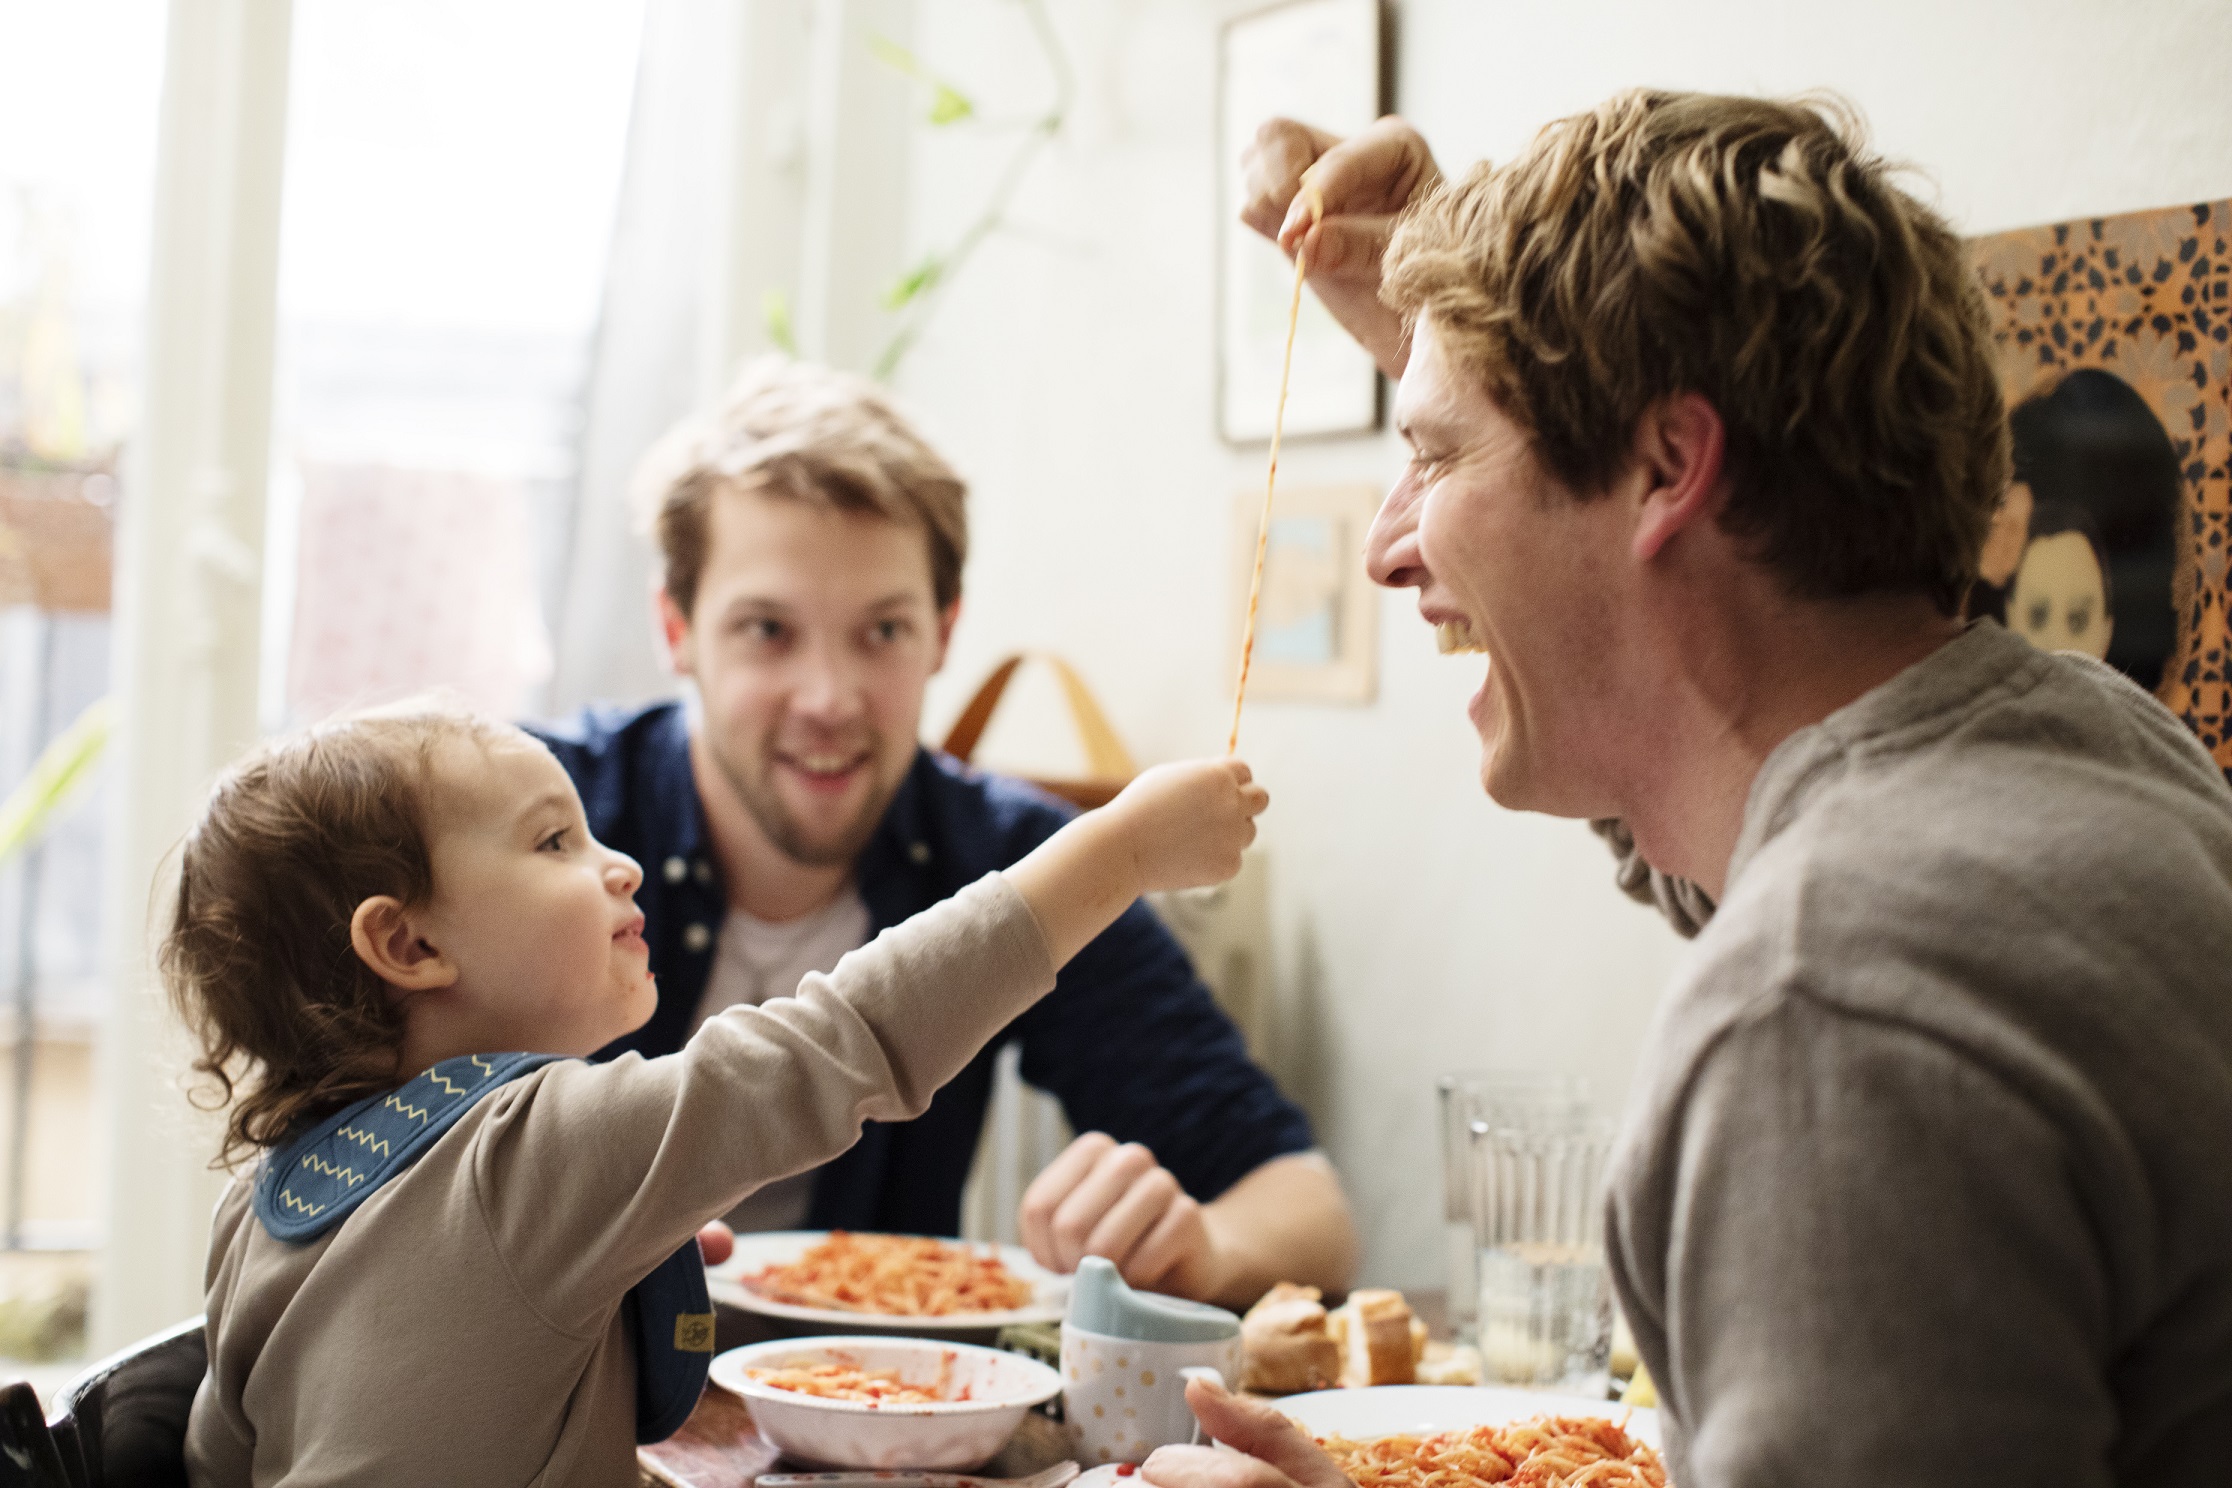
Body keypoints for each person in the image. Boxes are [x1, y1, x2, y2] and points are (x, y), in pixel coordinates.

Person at [1142, 91, 2232, 1488]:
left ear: (1667, 467)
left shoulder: (1830, 1012)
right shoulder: (2091, 750)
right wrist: (1442, 329)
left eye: (1430, 453)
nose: (1388, 553)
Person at [168, 701, 1267, 1484]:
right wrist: (1115, 855)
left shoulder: (270, 1195)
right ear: (407, 943)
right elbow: (846, 1037)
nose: (621, 865)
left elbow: (224, 1458)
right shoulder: (539, 1148)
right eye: (554, 840)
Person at [529, 362, 1355, 1306]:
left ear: (944, 632)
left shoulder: (1016, 858)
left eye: (882, 632)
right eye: (767, 630)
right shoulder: (545, 825)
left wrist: (1200, 1245)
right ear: (676, 627)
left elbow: (1308, 1208)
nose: (830, 700)